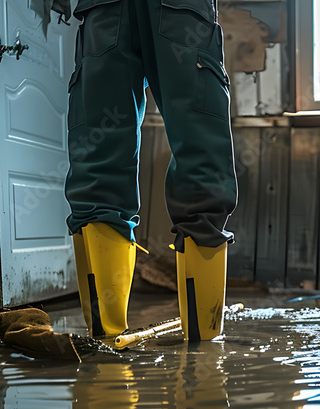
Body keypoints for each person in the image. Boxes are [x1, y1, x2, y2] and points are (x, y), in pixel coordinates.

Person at [63, 0, 237, 346]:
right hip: (171, 9)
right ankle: (201, 340)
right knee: (201, 151)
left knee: (99, 158)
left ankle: (106, 337)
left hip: (107, 8)